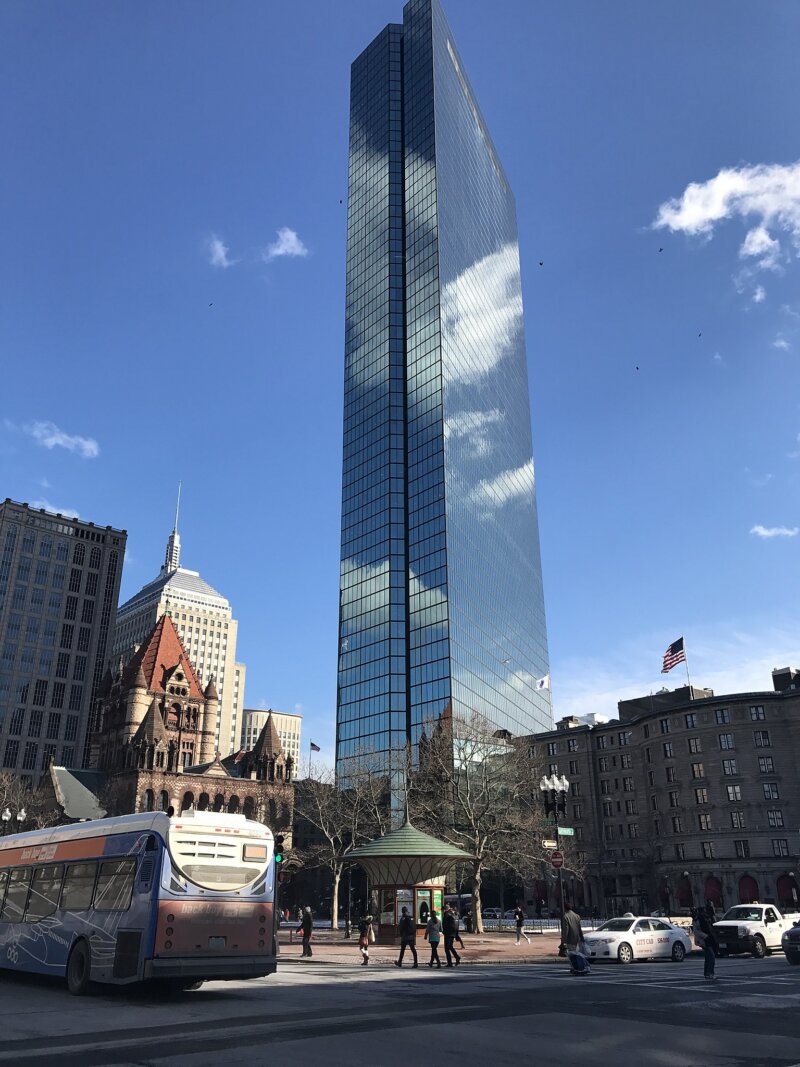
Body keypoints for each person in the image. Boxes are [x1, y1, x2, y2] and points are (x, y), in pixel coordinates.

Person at [693, 907, 718, 981]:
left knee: (708, 957)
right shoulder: (698, 919)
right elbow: (696, 931)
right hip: (704, 940)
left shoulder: (706, 918)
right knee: (711, 956)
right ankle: (710, 973)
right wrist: (705, 936)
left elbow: (711, 927)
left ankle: (707, 973)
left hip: (709, 939)